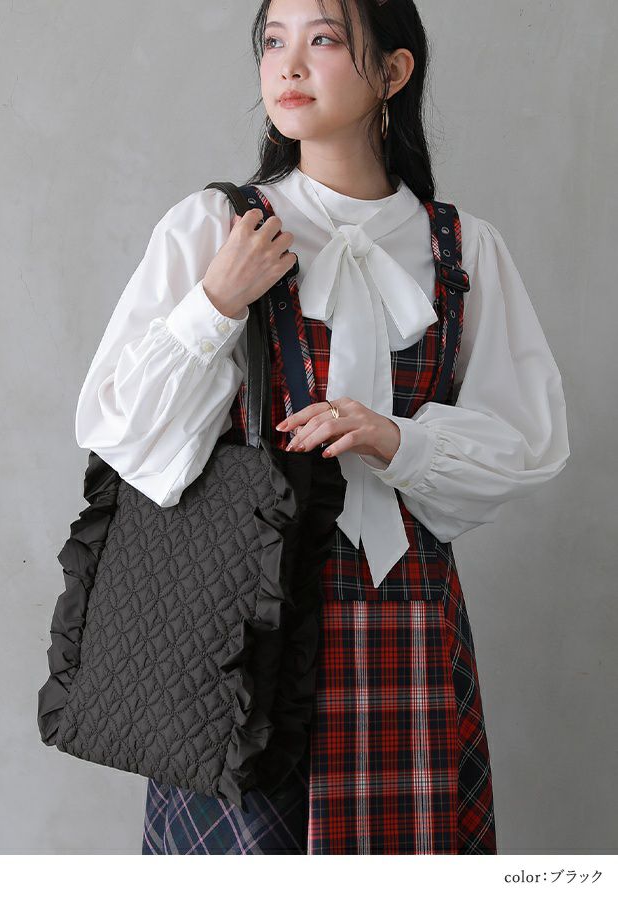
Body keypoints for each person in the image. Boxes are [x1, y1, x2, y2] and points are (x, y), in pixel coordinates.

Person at [74, 0, 570, 854]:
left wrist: (396, 439)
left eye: (324, 40)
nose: (288, 65)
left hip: (406, 615)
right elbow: (121, 429)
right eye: (273, 42)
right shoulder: (218, 228)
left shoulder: (463, 248)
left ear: (393, 72)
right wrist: (215, 304)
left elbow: (528, 440)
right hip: (244, 620)